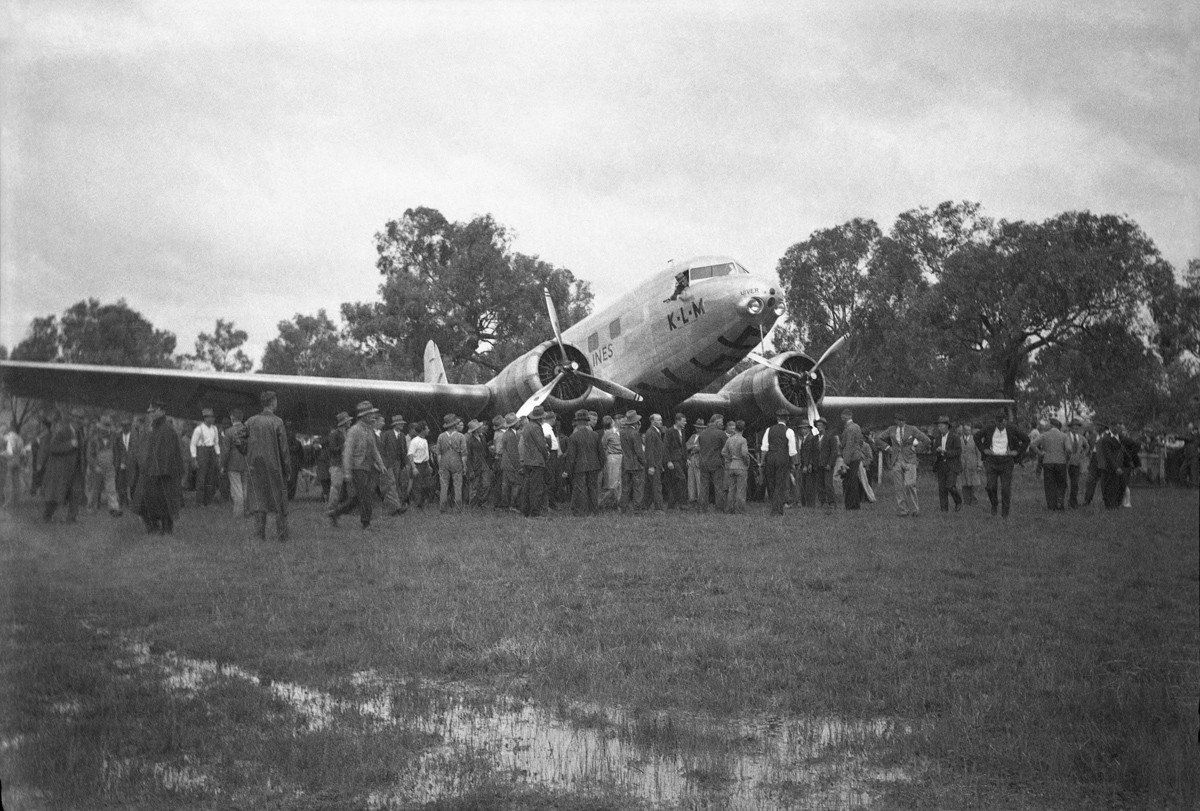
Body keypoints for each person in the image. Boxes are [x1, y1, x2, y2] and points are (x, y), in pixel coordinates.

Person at [329, 401, 386, 529]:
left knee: (360, 496)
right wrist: (347, 472)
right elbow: (348, 452)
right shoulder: (354, 430)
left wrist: (381, 463)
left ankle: (335, 513)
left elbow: (374, 449)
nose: (372, 416)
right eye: (370, 414)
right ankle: (366, 523)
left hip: (368, 467)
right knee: (365, 495)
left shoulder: (369, 430)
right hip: (357, 467)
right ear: (363, 416)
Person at [130, 401, 184, 533]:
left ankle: (166, 529)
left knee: (165, 502)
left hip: (164, 475)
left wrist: (162, 471)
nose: (151, 414)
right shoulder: (154, 428)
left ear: (162, 411)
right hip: (151, 473)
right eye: (149, 412)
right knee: (145, 501)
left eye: (153, 411)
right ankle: (153, 526)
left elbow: (170, 455)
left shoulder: (167, 429)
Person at [244, 391, 291, 541]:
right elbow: (284, 449)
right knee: (280, 501)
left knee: (259, 500)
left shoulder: (250, 421)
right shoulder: (277, 422)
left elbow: (239, 440)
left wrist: (248, 454)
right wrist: (287, 469)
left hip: (255, 466)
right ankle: (282, 535)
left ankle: (259, 535)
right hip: (274, 466)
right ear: (273, 402)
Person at [973, 411, 1030, 518]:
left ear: (1006, 421)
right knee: (990, 487)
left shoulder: (1012, 429)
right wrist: (983, 450)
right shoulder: (989, 428)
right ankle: (994, 504)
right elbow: (976, 437)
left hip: (1006, 461)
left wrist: (1017, 452)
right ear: (995, 421)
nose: (1000, 425)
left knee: (1005, 489)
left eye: (1002, 422)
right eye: (998, 423)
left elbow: (1026, 439)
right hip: (991, 461)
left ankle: (1005, 514)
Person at [875, 413, 930, 518]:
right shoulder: (891, 429)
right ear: (895, 420)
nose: (901, 422)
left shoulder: (912, 429)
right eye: (898, 420)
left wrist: (916, 449)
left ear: (905, 421)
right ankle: (903, 509)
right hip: (896, 460)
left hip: (910, 460)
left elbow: (926, 440)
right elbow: (878, 439)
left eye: (902, 420)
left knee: (910, 484)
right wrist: (887, 448)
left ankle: (915, 509)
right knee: (899, 487)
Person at [39, 409, 86, 523]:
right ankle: (46, 517)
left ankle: (71, 518)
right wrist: (69, 444)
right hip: (61, 470)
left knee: (75, 493)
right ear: (72, 420)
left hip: (75, 469)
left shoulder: (79, 432)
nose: (79, 422)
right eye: (77, 420)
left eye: (80, 420)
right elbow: (52, 448)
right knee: (55, 495)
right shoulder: (63, 431)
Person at [563, 408, 603, 515]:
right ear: (587, 421)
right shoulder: (595, 435)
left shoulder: (573, 437)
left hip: (579, 467)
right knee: (593, 488)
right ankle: (594, 510)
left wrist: (567, 470)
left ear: (577, 422)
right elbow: (601, 452)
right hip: (594, 465)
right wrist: (601, 464)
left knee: (581, 489)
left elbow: (571, 456)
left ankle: (582, 511)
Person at [760, 409, 797, 515]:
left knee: (771, 483)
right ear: (787, 418)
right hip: (783, 459)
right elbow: (792, 450)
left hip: (770, 458)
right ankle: (777, 509)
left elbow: (764, 448)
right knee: (780, 484)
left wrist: (762, 461)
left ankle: (775, 506)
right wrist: (794, 463)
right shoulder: (789, 431)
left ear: (777, 418)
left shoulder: (769, 430)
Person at [1030, 417, 1069, 510]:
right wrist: (1065, 458)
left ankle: (1051, 506)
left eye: (1047, 424)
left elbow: (1032, 445)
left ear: (1051, 425)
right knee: (1061, 484)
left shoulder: (1044, 435)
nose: (1046, 425)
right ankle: (1060, 504)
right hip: (1061, 462)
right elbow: (1069, 449)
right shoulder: (1064, 436)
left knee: (1049, 484)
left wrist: (1040, 453)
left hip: (1047, 461)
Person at [87, 415, 122, 516]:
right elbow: (89, 455)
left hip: (110, 467)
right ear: (100, 429)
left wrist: (115, 465)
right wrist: (94, 466)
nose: (106, 431)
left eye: (108, 428)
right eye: (104, 428)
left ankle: (114, 508)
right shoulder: (94, 439)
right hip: (96, 468)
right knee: (94, 489)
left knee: (111, 489)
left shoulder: (113, 439)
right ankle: (91, 508)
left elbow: (117, 453)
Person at [518, 405, 550, 517]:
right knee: (537, 487)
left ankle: (525, 510)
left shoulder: (527, 427)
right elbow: (541, 445)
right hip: (536, 461)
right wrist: (546, 455)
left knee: (527, 487)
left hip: (527, 461)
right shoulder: (536, 427)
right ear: (540, 418)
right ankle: (535, 512)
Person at [190, 407, 222, 506]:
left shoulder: (215, 428)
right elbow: (193, 444)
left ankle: (209, 500)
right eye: (210, 417)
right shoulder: (198, 429)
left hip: (211, 452)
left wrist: (218, 454)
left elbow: (216, 443)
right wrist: (194, 458)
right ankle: (200, 501)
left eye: (213, 417)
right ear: (205, 418)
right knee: (201, 477)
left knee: (211, 477)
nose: (212, 419)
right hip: (202, 451)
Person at [436, 414, 468, 512]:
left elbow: (438, 453)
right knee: (458, 485)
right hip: (456, 459)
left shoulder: (441, 436)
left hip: (444, 459)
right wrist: (464, 465)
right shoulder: (461, 436)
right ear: (455, 424)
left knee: (444, 485)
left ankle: (442, 507)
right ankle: (458, 507)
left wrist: (440, 466)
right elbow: (464, 453)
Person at [931, 416, 963, 513]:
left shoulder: (955, 437)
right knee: (942, 489)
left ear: (947, 426)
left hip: (952, 465)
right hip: (941, 465)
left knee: (950, 485)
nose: (940, 428)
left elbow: (958, 451)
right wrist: (937, 450)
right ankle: (944, 511)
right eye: (939, 426)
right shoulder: (938, 438)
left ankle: (958, 501)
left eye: (941, 426)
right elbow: (933, 450)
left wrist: (946, 452)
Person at [221, 408, 249, 517]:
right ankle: (246, 511)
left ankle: (238, 513)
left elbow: (226, 451)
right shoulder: (248, 430)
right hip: (246, 463)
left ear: (232, 418)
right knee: (245, 488)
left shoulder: (229, 432)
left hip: (233, 464)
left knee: (236, 490)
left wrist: (222, 465)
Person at [697, 414, 727, 512]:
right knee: (718, 486)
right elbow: (726, 448)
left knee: (703, 486)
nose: (722, 424)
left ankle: (702, 508)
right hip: (717, 463)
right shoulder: (721, 434)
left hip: (703, 462)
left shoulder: (702, 433)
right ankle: (719, 508)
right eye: (721, 422)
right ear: (716, 422)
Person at [619, 411, 647, 513]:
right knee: (638, 488)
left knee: (626, 487)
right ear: (636, 422)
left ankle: (623, 507)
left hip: (625, 463)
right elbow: (638, 451)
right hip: (636, 465)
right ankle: (637, 509)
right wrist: (644, 462)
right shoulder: (635, 434)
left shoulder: (622, 433)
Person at [722, 420, 751, 513]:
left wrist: (730, 457)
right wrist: (747, 462)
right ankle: (740, 510)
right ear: (743, 429)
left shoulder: (729, 439)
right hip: (741, 466)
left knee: (731, 489)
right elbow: (744, 453)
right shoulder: (743, 440)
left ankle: (729, 509)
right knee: (741, 490)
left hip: (731, 466)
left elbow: (723, 452)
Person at [324, 411, 351, 509]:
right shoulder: (334, 434)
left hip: (346, 463)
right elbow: (332, 449)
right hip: (337, 464)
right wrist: (343, 446)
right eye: (348, 420)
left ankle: (343, 505)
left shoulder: (348, 433)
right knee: (336, 485)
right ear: (344, 422)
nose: (350, 422)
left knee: (345, 486)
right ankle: (332, 506)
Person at [496, 413, 522, 510]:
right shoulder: (511, 435)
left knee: (506, 486)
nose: (519, 423)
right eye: (517, 422)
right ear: (514, 424)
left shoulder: (507, 433)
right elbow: (513, 453)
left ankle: (505, 505)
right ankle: (513, 505)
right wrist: (518, 467)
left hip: (505, 463)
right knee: (517, 484)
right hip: (511, 464)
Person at [840, 410, 864, 510]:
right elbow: (860, 442)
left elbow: (849, 445)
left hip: (851, 458)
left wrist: (845, 462)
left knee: (850, 482)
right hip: (856, 456)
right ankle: (856, 504)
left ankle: (851, 505)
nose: (841, 418)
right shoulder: (857, 426)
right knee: (854, 481)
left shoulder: (849, 428)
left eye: (842, 416)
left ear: (845, 416)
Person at [1064, 418, 1090, 508]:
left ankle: (1073, 502)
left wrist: (1083, 454)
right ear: (1070, 428)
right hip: (1066, 462)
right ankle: (1066, 502)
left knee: (1075, 484)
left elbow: (1087, 446)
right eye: (1074, 428)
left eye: (1077, 428)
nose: (1075, 430)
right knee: (1066, 483)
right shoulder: (1066, 436)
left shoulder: (1081, 437)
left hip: (1077, 463)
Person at [663, 413, 687, 508]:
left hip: (681, 459)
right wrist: (668, 461)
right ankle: (683, 503)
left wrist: (686, 458)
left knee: (675, 481)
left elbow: (683, 446)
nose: (685, 423)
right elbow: (666, 446)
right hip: (673, 460)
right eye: (683, 421)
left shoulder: (683, 431)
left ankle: (672, 503)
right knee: (682, 479)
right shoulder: (669, 431)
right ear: (677, 421)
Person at [643, 413, 666, 512]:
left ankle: (644, 507)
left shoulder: (656, 431)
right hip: (654, 464)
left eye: (661, 420)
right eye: (658, 420)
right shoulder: (651, 432)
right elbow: (649, 450)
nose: (661, 422)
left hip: (657, 463)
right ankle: (659, 509)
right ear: (652, 421)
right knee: (657, 487)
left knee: (650, 487)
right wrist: (651, 466)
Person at [599, 415, 623, 509]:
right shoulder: (609, 433)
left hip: (622, 457)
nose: (623, 422)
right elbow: (603, 446)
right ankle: (600, 503)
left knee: (620, 482)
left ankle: (618, 504)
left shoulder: (623, 432)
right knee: (612, 484)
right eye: (621, 420)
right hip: (612, 458)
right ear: (615, 421)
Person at [815, 418, 839, 509]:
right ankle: (823, 501)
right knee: (820, 484)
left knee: (828, 484)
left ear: (825, 426)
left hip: (827, 464)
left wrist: (830, 463)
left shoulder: (830, 437)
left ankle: (832, 502)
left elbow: (834, 451)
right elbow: (813, 452)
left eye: (820, 425)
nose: (819, 427)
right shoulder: (815, 438)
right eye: (817, 425)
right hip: (818, 464)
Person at [1, 421, 25, 508]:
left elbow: (9, 451)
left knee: (7, 483)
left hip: (7, 462)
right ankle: (15, 501)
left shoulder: (7, 437)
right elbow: (22, 453)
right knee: (16, 482)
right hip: (16, 462)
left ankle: (7, 502)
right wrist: (21, 463)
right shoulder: (19, 438)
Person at [957, 422, 982, 506]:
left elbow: (979, 453)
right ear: (963, 430)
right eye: (965, 430)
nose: (967, 432)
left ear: (971, 431)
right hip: (963, 465)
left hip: (973, 465)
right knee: (964, 483)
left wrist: (979, 465)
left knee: (974, 483)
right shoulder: (959, 440)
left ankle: (974, 502)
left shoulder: (975, 440)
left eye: (969, 430)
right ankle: (966, 502)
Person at [798, 424, 820, 507]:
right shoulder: (804, 438)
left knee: (809, 484)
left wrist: (807, 465)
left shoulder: (811, 438)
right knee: (804, 484)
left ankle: (810, 503)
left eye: (805, 428)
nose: (803, 430)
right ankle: (805, 502)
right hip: (804, 463)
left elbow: (810, 452)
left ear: (809, 429)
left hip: (808, 464)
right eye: (801, 429)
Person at [686, 418, 704, 506]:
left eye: (700, 428)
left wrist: (693, 447)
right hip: (691, 458)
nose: (699, 429)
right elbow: (686, 446)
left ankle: (700, 499)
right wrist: (693, 446)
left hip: (699, 459)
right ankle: (692, 498)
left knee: (699, 479)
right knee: (691, 479)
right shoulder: (693, 436)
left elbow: (700, 447)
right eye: (697, 427)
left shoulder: (704, 436)